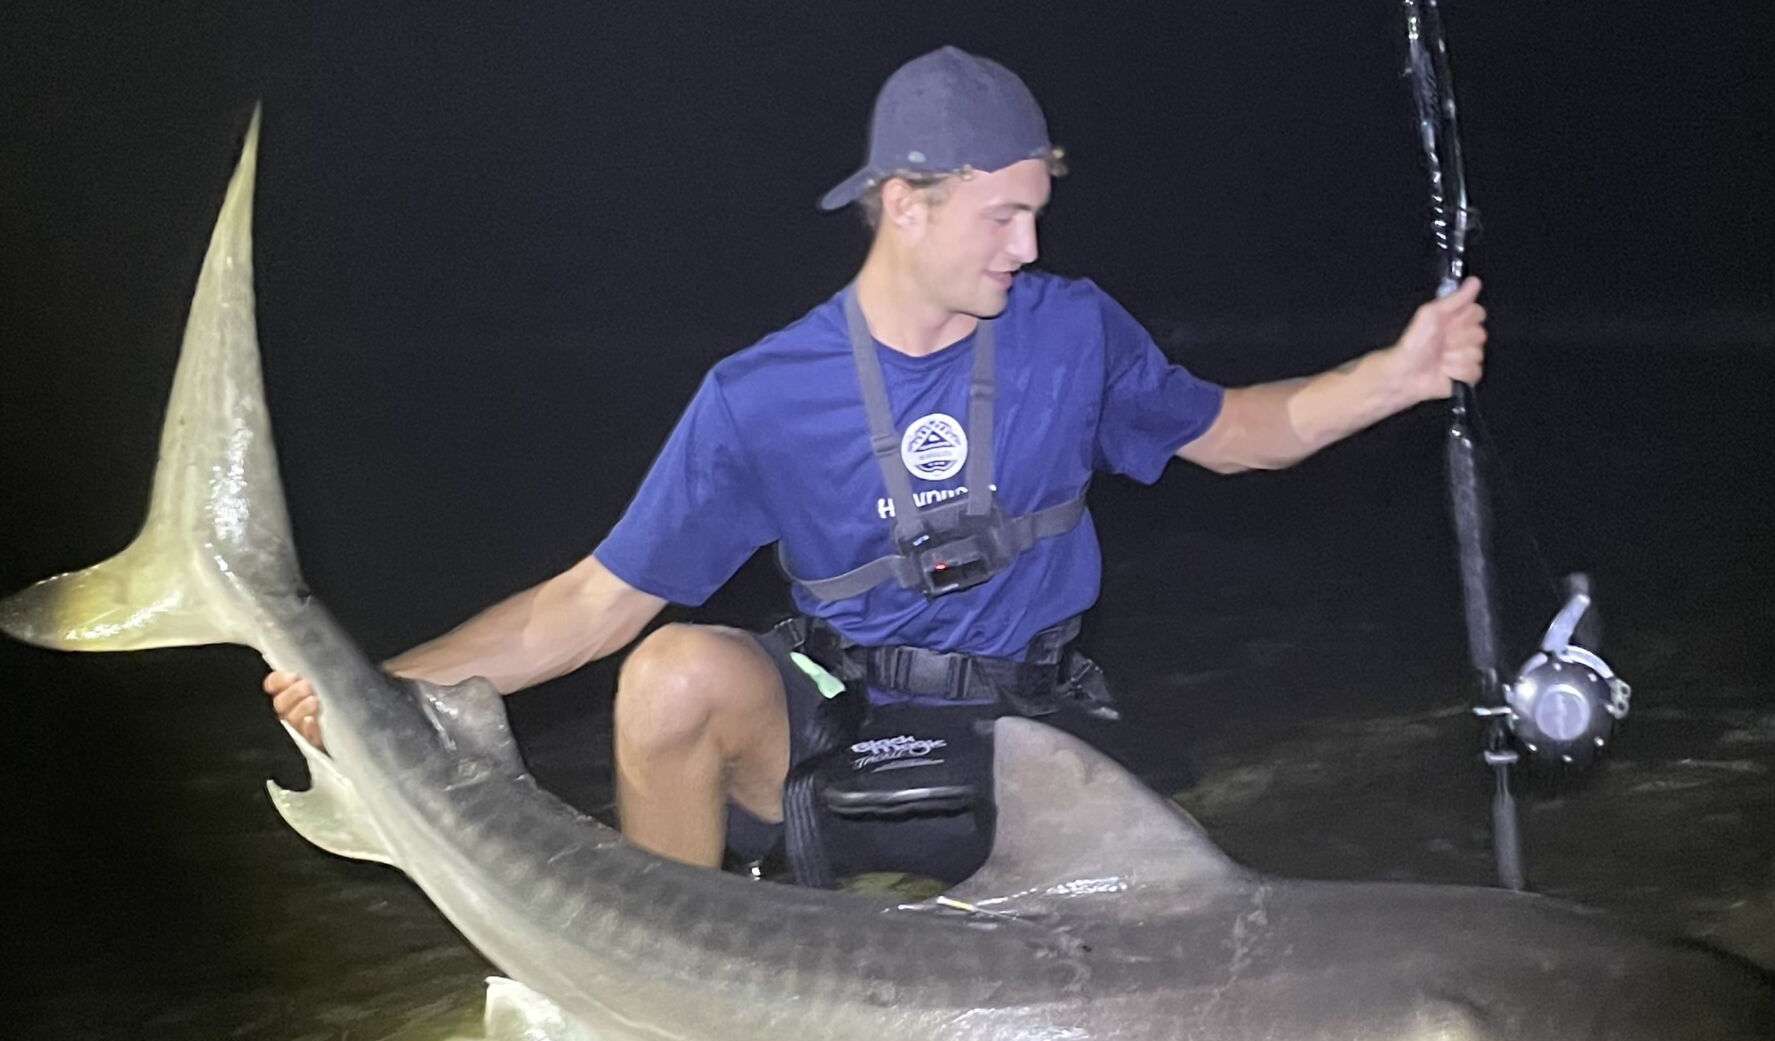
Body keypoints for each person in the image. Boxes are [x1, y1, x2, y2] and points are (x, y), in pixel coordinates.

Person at [266, 47, 1485, 868]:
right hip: (837, 715)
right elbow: (586, 608)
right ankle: (683, 995)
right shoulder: (760, 395)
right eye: (1002, 215)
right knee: (669, 673)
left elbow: (1242, 435)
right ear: (906, 202)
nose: (1029, 244)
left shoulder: (1072, 330)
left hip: (1037, 725)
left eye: (1036, 212)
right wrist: (376, 688)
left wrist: (1400, 373)